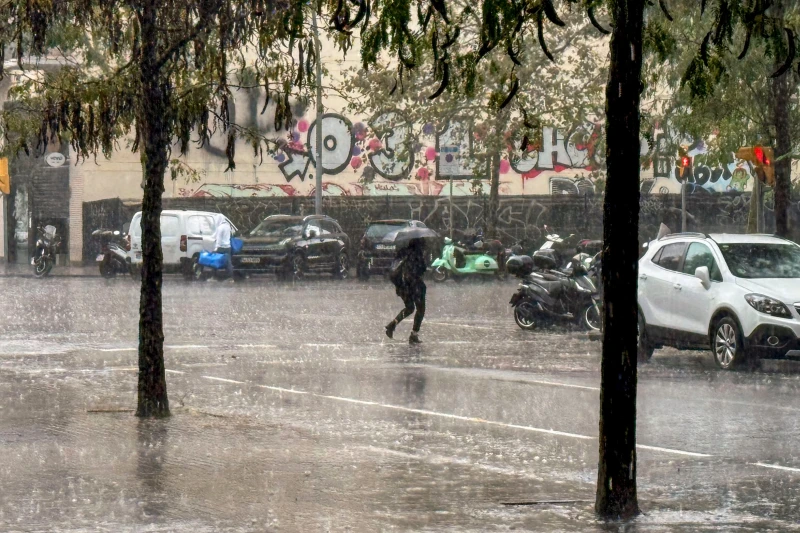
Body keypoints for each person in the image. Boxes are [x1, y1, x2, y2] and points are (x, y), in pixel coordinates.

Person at [386, 238, 427, 344]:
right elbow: (422, 269)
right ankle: (414, 334)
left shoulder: (402, 253)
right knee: (420, 309)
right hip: (415, 286)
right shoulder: (417, 254)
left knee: (409, 308)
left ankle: (393, 324)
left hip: (402, 286)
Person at [213, 214, 234, 280]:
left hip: (221, 247)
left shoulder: (220, 228)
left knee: (216, 262)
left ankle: (214, 276)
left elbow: (218, 239)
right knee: (228, 262)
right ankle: (230, 277)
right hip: (228, 247)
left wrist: (216, 248)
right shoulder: (228, 226)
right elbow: (232, 233)